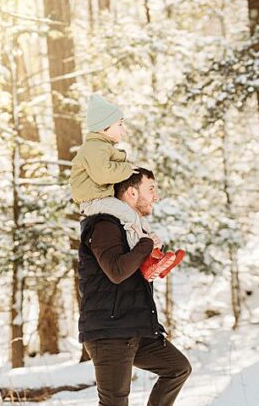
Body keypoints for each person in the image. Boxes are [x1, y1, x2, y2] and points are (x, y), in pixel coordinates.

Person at [78, 167, 193, 406]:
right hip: (109, 332)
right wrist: (144, 246)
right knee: (113, 404)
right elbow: (115, 270)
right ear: (131, 193)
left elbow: (126, 275)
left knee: (177, 367)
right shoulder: (104, 225)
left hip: (136, 329)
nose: (155, 195)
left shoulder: (129, 228)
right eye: (151, 188)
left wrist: (152, 265)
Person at [70, 93, 185, 280]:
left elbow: (112, 163)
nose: (123, 131)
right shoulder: (94, 148)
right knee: (129, 216)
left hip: (100, 199)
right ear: (104, 127)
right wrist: (125, 168)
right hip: (93, 201)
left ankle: (154, 256)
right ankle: (148, 254)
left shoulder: (102, 147)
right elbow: (103, 174)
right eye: (120, 125)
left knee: (134, 219)